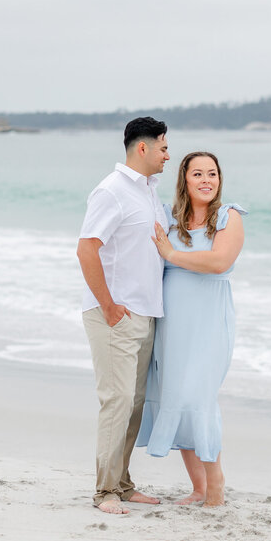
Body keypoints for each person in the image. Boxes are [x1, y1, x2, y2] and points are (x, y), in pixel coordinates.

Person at [137, 150, 246, 507]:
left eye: (212, 173)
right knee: (178, 396)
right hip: (171, 323)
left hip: (208, 322)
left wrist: (171, 255)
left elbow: (219, 262)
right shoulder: (169, 218)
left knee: (199, 396)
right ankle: (198, 487)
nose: (206, 180)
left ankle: (215, 485)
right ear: (184, 179)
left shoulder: (229, 217)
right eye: (197, 174)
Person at [76, 117, 170, 514]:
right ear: (143, 148)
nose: (168, 155)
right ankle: (105, 492)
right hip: (115, 314)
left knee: (134, 404)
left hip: (145, 313)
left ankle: (123, 483)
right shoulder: (111, 190)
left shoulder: (149, 191)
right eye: (163, 147)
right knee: (117, 401)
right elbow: (87, 248)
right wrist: (109, 305)